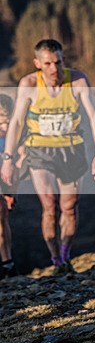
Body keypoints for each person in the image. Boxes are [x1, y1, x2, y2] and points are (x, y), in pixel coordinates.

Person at [1, 39, 95, 274]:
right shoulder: (28, 84)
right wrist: (8, 159)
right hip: (40, 151)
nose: (53, 69)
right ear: (37, 63)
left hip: (72, 150)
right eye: (47, 63)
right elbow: (16, 122)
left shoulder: (77, 80)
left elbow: (94, 116)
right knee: (49, 205)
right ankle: (55, 257)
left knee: (69, 206)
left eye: (58, 62)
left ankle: (66, 252)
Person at [0, 94, 18, 279]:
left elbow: (17, 166)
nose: (5, 129)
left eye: (8, 123)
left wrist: (11, 192)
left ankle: (8, 263)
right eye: (0, 124)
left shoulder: (11, 138)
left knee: (2, 215)